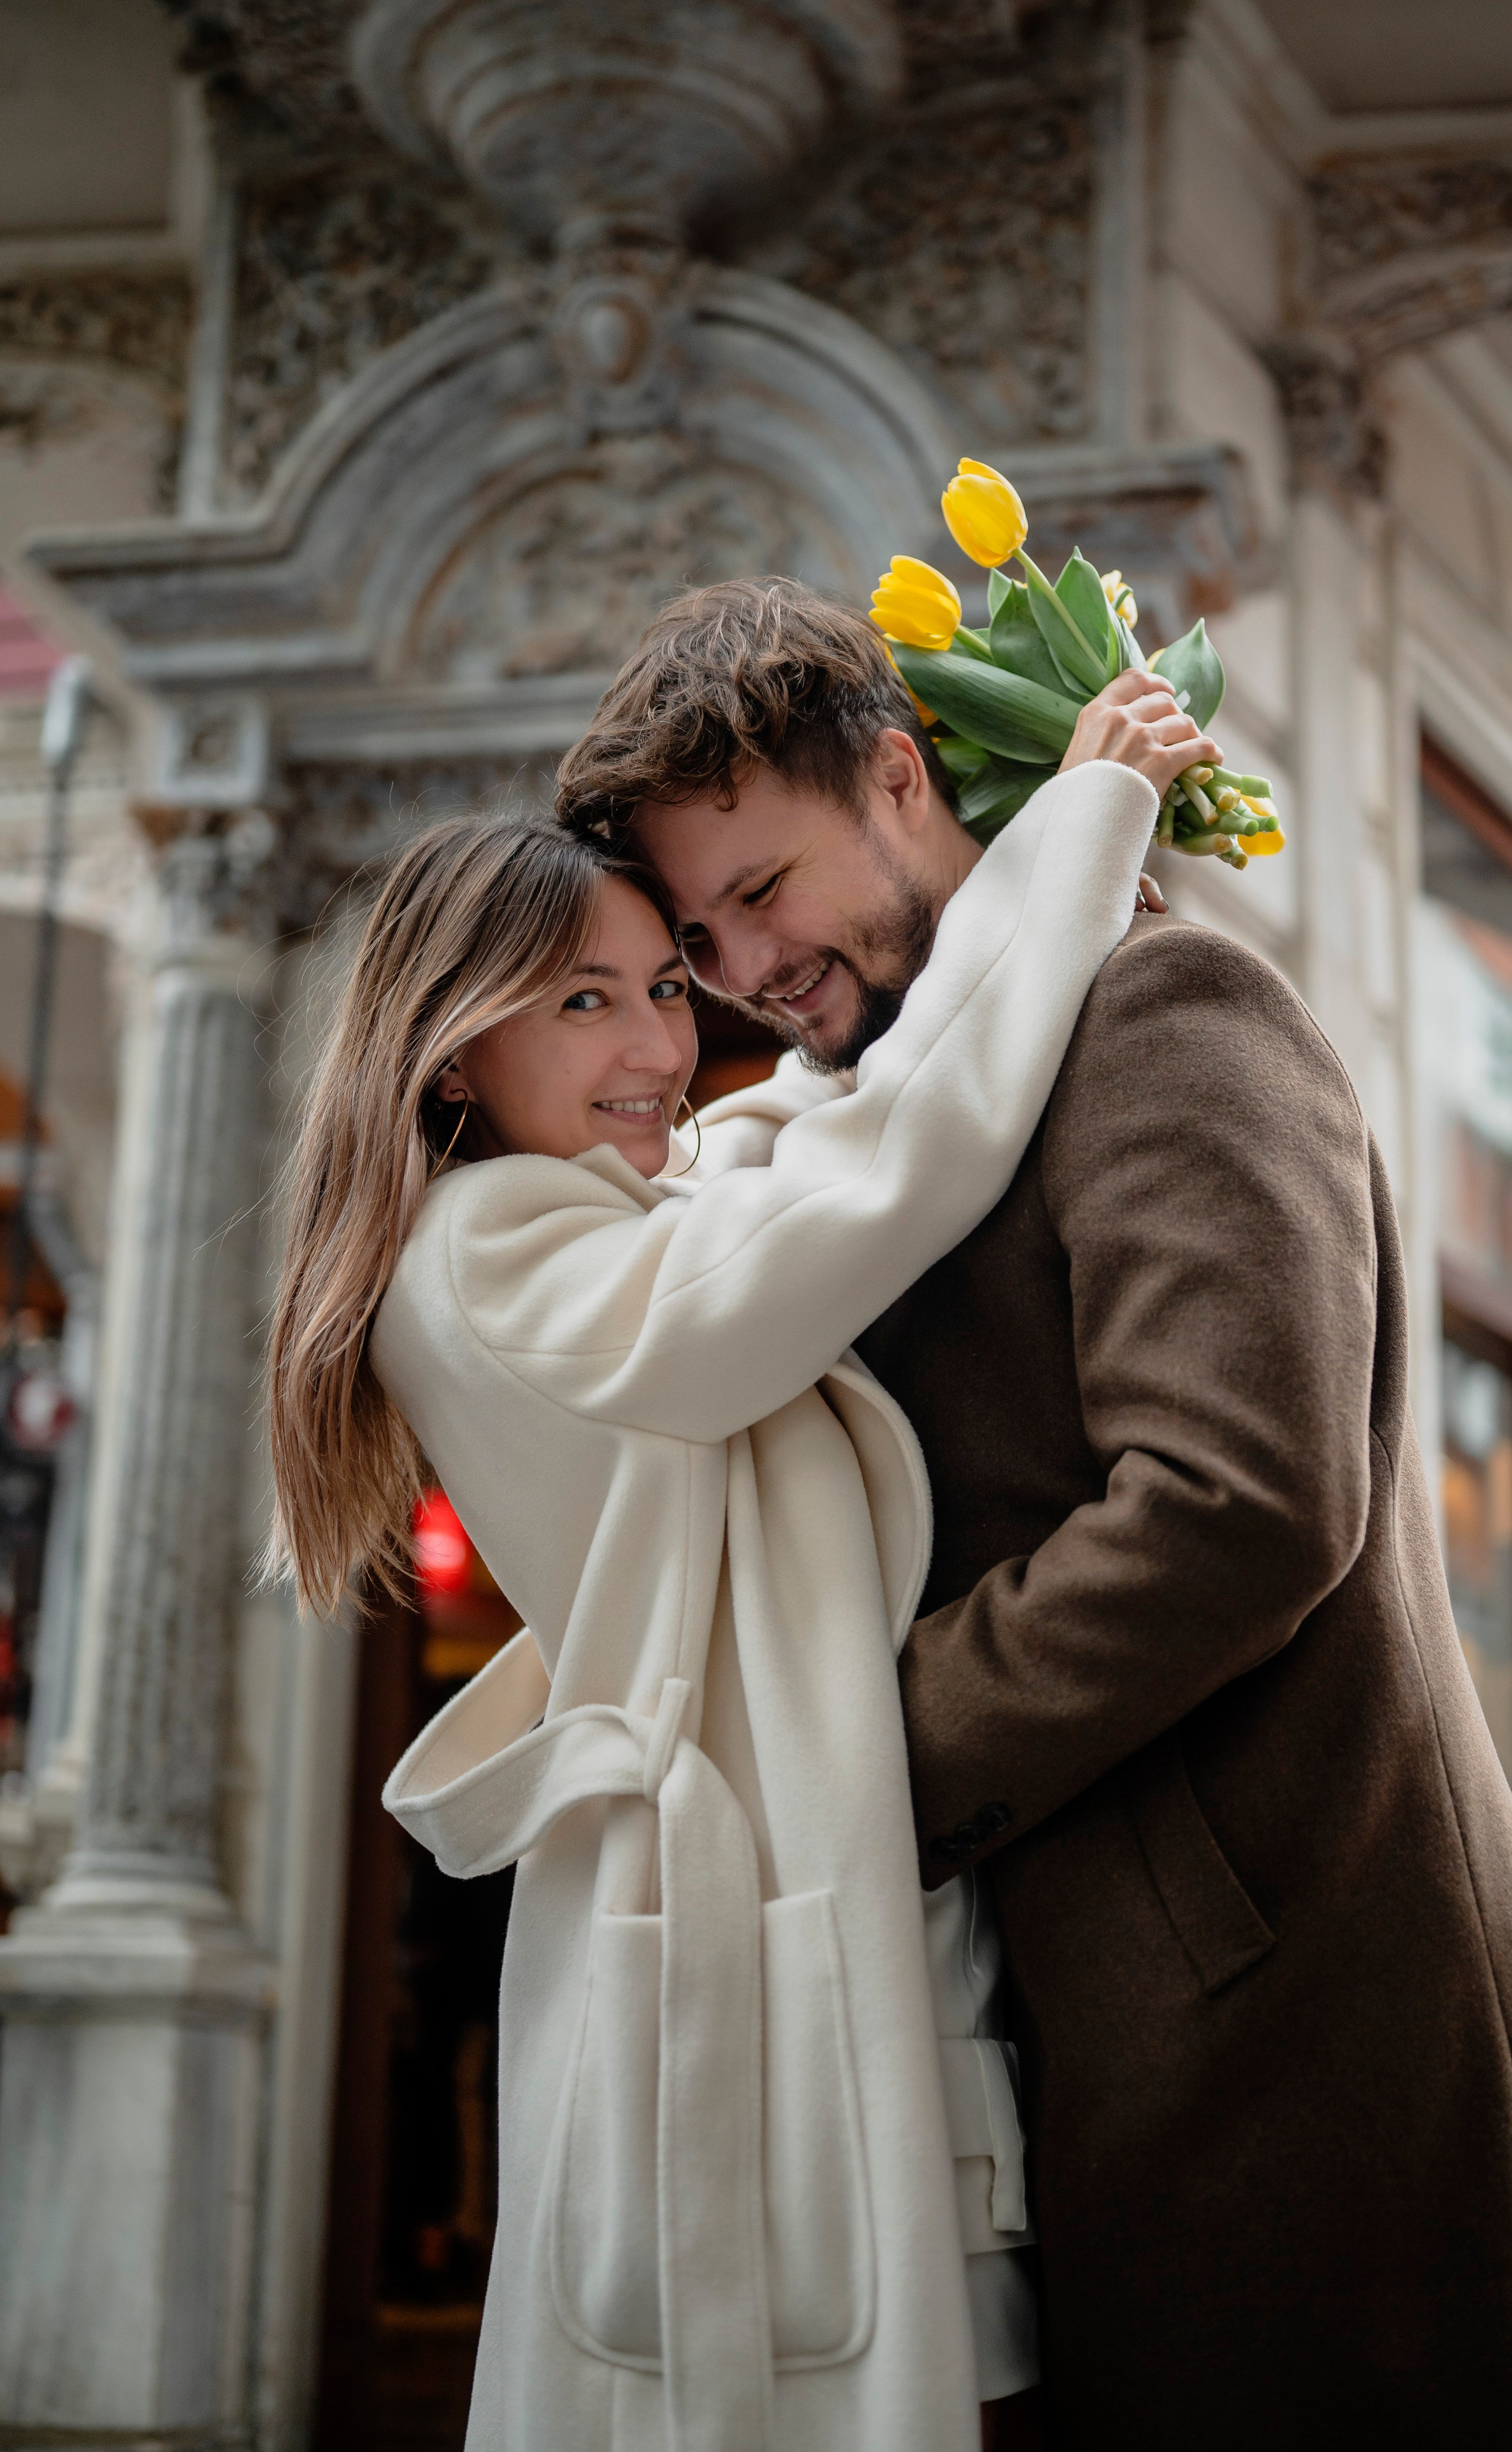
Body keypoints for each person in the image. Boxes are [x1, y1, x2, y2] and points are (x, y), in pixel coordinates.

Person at [555, 577, 1512, 2451]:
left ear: (900, 780)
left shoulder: (1158, 1004)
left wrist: (852, 1747)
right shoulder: (886, 1106)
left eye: (763, 892)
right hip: (1093, 2017)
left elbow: (1239, 1500)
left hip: (1298, 2018)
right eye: (700, 936)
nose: (740, 970)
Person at [263, 681, 1200, 2451]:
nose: (660, 1045)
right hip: (733, 1965)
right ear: (454, 1049)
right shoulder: (484, 1259)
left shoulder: (602, 1226)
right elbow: (878, 1177)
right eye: (584, 1001)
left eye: (669, 988)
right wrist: (1073, 838)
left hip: (812, 1936)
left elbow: (762, 1163)